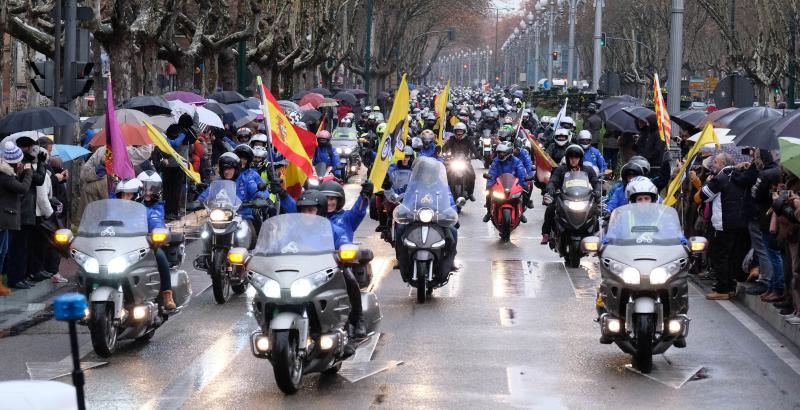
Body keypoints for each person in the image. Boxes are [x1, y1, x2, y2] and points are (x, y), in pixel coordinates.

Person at [294, 190, 365, 339]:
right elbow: (277, 246)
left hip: (326, 273)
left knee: (349, 278)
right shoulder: (293, 231)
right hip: (300, 274)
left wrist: (345, 252)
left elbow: (344, 241)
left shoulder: (332, 229)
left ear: (319, 211)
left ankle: (357, 319)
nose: (307, 214)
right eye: (303, 210)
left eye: (311, 210)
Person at [700, 153, 752, 300]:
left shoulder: (721, 177)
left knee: (720, 256)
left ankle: (723, 289)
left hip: (724, 224)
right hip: (740, 222)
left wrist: (708, 182)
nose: (713, 165)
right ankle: (730, 287)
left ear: (723, 163)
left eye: (715, 162)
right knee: (731, 256)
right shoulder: (738, 175)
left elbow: (704, 195)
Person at [5, 138, 46, 289]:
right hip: (21, 211)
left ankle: (21, 276)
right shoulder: (17, 166)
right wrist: (39, 164)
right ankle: (16, 278)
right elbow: (38, 180)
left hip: (25, 211)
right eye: (31, 148)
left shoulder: (23, 163)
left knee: (23, 247)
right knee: (18, 248)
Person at [541, 145, 599, 245]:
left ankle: (596, 234)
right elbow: (553, 180)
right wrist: (551, 186)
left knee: (596, 209)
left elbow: (595, 181)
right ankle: (546, 233)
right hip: (564, 197)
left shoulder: (588, 170)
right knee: (550, 208)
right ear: (567, 158)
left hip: (583, 197)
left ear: (580, 158)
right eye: (571, 157)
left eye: (576, 157)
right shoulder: (561, 169)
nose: (573, 160)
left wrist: (597, 189)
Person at [137, 170, 177, 310]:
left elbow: (156, 221)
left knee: (160, 256)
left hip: (150, 243)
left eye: (152, 189)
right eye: (145, 188)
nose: (148, 192)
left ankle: (167, 293)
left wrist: (155, 233)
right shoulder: (131, 203)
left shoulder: (157, 207)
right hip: (129, 242)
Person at [0, 142, 32, 294]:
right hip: (4, 217)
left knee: (4, 251)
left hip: (6, 218)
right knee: (2, 252)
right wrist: (28, 173)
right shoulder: (4, 176)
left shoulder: (8, 174)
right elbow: (23, 189)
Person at [483, 141, 529, 223]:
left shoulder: (517, 161)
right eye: (499, 152)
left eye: (503, 153)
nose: (501, 154)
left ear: (509, 152)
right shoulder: (496, 161)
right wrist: (489, 185)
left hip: (513, 185)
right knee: (488, 193)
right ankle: (489, 213)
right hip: (499, 185)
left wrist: (524, 184)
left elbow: (521, 173)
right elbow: (492, 173)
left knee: (525, 193)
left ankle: (521, 212)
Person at [442, 122, 478, 201]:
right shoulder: (451, 139)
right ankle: (445, 192)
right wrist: (443, 153)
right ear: (454, 132)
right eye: (457, 131)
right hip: (453, 161)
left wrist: (477, 155)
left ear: (464, 132)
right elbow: (444, 148)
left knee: (472, 175)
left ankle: (470, 193)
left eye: (461, 131)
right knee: (445, 175)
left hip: (465, 162)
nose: (459, 134)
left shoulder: (468, 139)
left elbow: (473, 148)